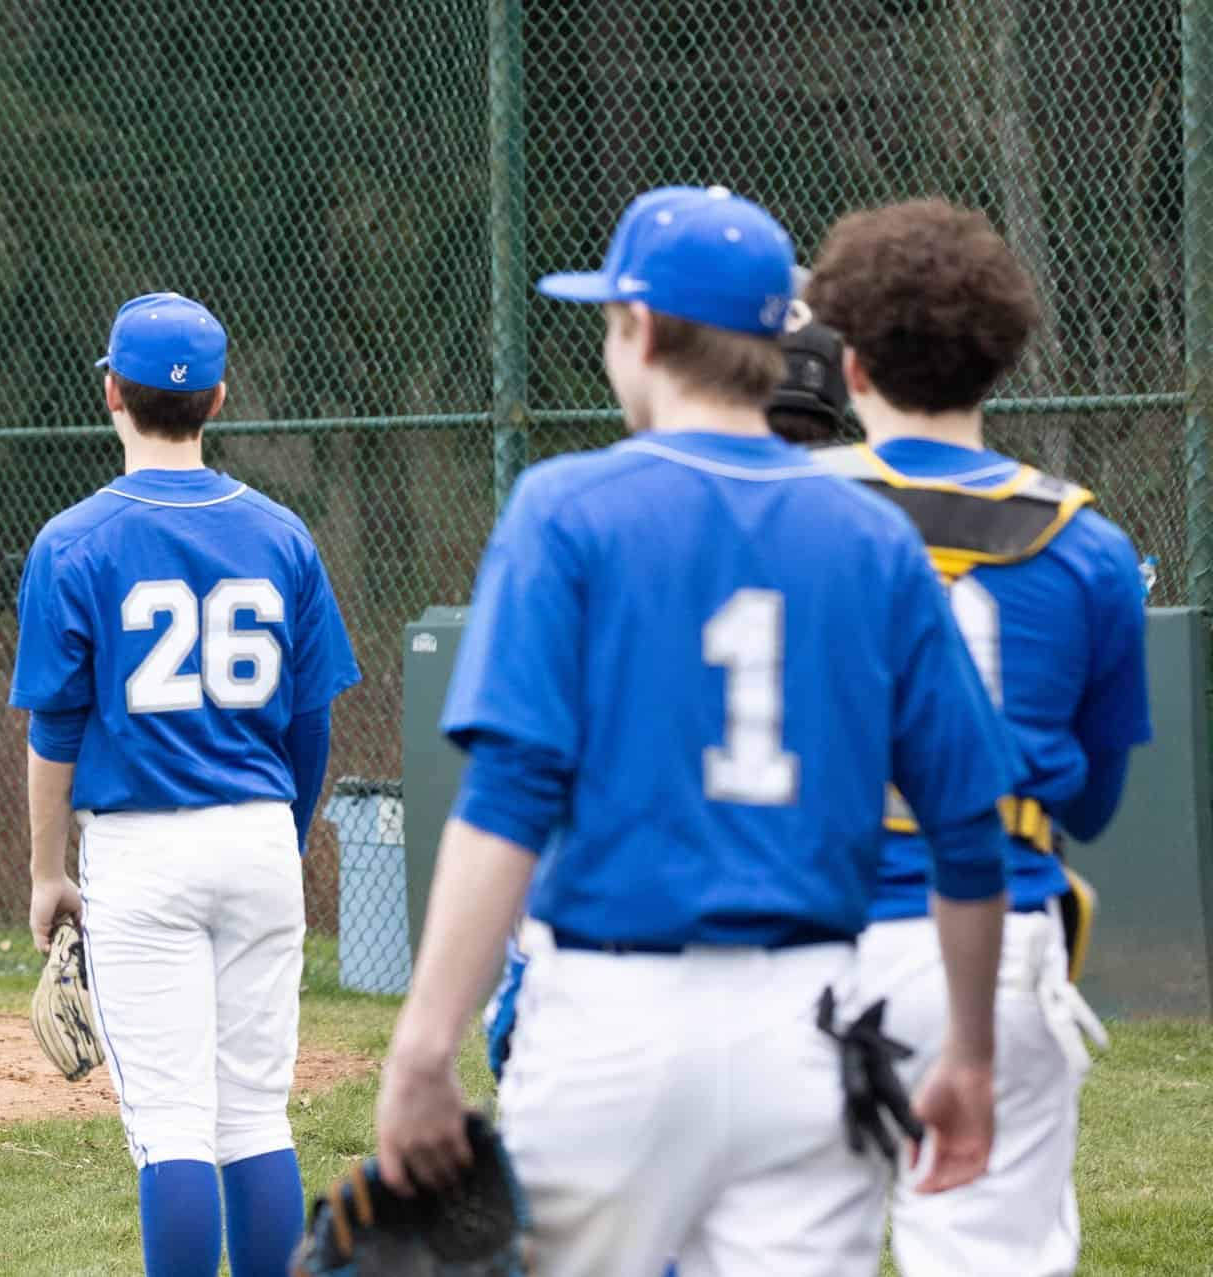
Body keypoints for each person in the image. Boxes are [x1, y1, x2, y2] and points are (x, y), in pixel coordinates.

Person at [371, 186, 1019, 1276]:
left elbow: (510, 798)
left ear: (648, 330)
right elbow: (966, 828)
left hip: (610, 1022)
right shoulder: (874, 538)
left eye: (614, 318)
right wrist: (971, 1048)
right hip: (810, 1023)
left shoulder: (564, 507)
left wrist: (425, 1041)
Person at [801, 199, 1152, 1277]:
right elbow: (1090, 803)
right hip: (994, 936)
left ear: (848, 363)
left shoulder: (783, 514)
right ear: (997, 362)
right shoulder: (1088, 548)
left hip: (801, 928)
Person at [11, 292, 360, 1277]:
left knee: (172, 1123)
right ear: (216, 399)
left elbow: (57, 729)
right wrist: (279, 837)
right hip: (256, 835)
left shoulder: (73, 540)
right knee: (253, 1112)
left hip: (141, 849)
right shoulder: (283, 534)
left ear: (112, 394)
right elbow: (310, 719)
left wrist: (46, 873)